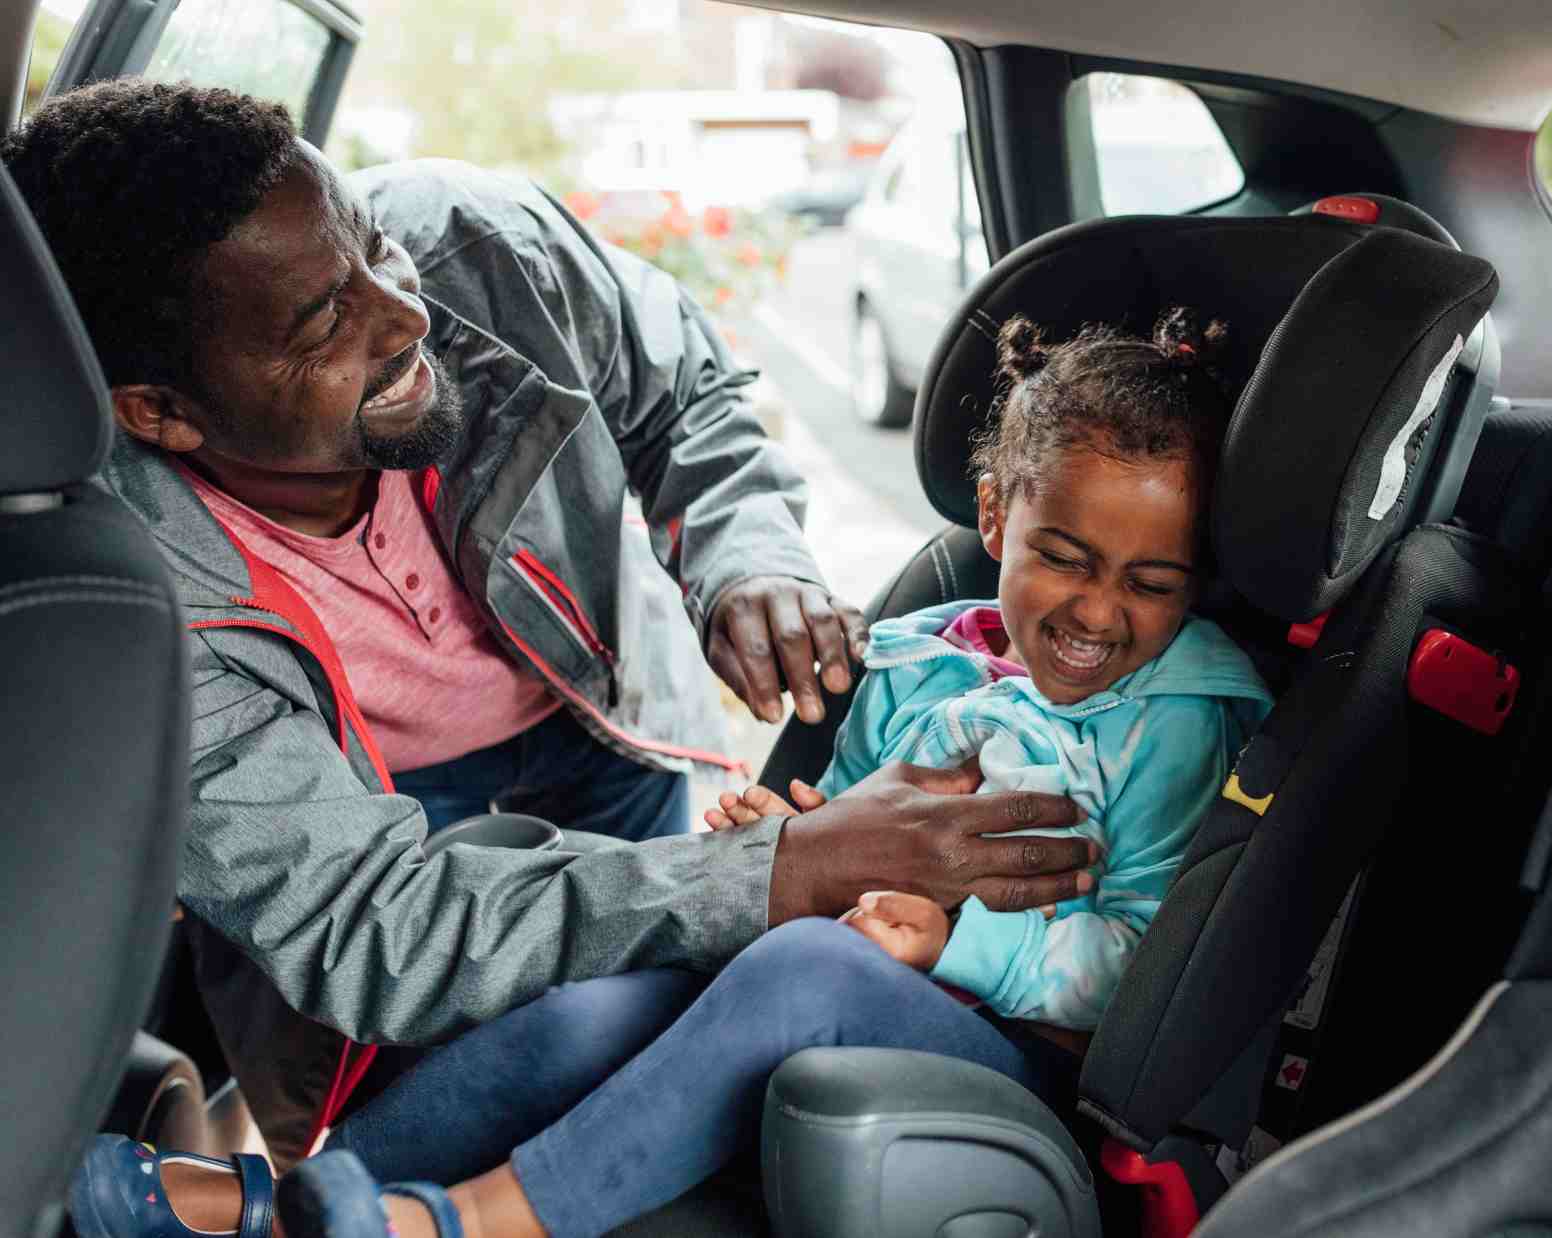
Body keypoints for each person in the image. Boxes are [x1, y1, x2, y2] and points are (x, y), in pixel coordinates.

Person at [5, 78, 1096, 1168]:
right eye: (324, 320)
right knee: (448, 1105)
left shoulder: (486, 251)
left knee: (650, 1017)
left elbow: (689, 394)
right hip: (364, 816)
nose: (405, 313)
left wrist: (744, 548)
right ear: (161, 411)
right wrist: (781, 867)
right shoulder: (127, 607)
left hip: (596, 725)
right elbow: (374, 923)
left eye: (374, 250)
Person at [74, 309, 1272, 1238]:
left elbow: (1140, 969)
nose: (1099, 610)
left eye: (1151, 583)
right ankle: (275, 1207)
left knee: (805, 960)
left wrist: (945, 942)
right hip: (850, 977)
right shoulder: (914, 655)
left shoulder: (1181, 718)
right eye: (1064, 556)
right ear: (996, 514)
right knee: (593, 998)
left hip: (1021, 1054)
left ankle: (461, 1219)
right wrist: (784, 838)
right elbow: (849, 820)